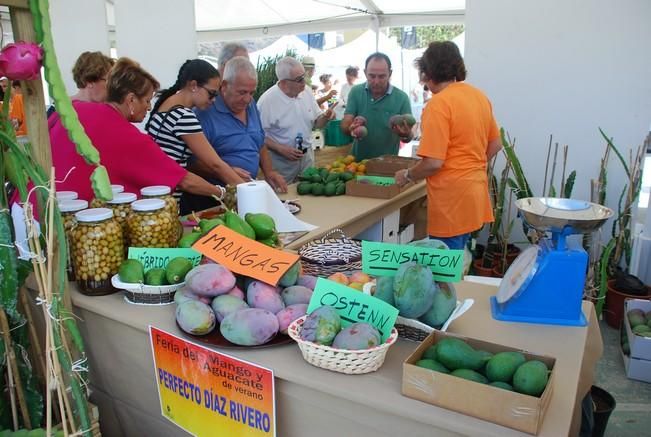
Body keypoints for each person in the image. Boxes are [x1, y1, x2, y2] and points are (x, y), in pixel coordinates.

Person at [49, 57, 224, 202]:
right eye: (147, 100)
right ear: (131, 100)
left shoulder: (72, 109)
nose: (149, 108)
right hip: (79, 218)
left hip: (41, 206)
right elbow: (185, 181)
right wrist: (222, 193)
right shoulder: (129, 136)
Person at [394, 41, 502, 250]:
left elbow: (434, 162)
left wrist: (407, 175)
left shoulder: (438, 104)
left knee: (446, 271)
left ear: (427, 72)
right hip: (475, 192)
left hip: (451, 201)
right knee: (460, 261)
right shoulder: (478, 96)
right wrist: (470, 164)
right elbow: (496, 144)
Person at [185, 56, 287, 212]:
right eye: (242, 92)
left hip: (248, 193)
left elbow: (259, 143)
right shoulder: (204, 111)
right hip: (214, 200)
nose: (247, 99)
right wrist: (228, 171)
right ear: (224, 86)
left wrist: (269, 171)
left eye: (252, 92)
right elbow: (192, 163)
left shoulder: (251, 104)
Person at [145, 59, 245, 201]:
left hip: (157, 195)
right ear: (193, 85)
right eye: (211, 94)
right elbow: (215, 164)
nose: (213, 100)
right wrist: (247, 191)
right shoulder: (183, 116)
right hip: (170, 200)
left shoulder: (165, 106)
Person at [257, 56, 335, 183]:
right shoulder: (267, 102)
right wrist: (280, 149)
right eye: (299, 79)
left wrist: (326, 117)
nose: (304, 82)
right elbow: (258, 136)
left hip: (307, 157)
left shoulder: (307, 92)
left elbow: (317, 123)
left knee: (309, 193)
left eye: (304, 76)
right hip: (281, 162)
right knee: (284, 198)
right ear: (284, 82)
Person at [340, 52, 413, 160]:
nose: (376, 81)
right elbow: (345, 124)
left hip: (387, 164)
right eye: (372, 76)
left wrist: (406, 134)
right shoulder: (356, 92)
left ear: (390, 73)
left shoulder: (401, 98)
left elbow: (409, 136)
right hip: (358, 164)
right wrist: (350, 129)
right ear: (365, 73)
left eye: (382, 76)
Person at [47, 51, 114, 117]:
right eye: (108, 81)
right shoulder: (57, 109)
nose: (111, 87)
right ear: (89, 81)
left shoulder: (107, 111)